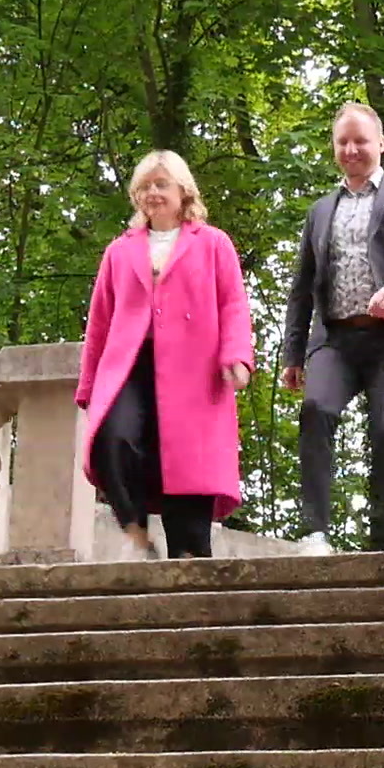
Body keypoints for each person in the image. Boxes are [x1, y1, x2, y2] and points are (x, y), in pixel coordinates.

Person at [280, 102, 384, 554]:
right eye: (343, 142)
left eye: (360, 141)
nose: (351, 149)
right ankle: (315, 532)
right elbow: (302, 287)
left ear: (381, 144)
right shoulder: (320, 211)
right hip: (335, 339)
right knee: (316, 410)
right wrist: (293, 353)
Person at [76, 150, 254, 561]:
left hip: (195, 369)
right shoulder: (119, 251)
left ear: (182, 190)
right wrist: (88, 387)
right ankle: (135, 535)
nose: (152, 193)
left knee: (188, 467)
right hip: (129, 367)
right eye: (144, 186)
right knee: (111, 438)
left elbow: (233, 303)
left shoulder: (213, 243)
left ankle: (189, 562)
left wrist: (237, 355)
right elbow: (100, 321)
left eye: (161, 184)